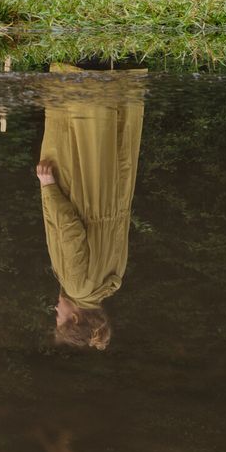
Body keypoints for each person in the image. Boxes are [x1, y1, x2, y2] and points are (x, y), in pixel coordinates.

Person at [35, 67, 145, 349]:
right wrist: (48, 188)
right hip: (81, 190)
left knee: (107, 138)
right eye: (59, 318)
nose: (55, 311)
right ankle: (81, 69)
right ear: (74, 318)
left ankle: (118, 68)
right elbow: (70, 230)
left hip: (109, 190)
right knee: (77, 133)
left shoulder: (112, 281)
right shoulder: (77, 287)